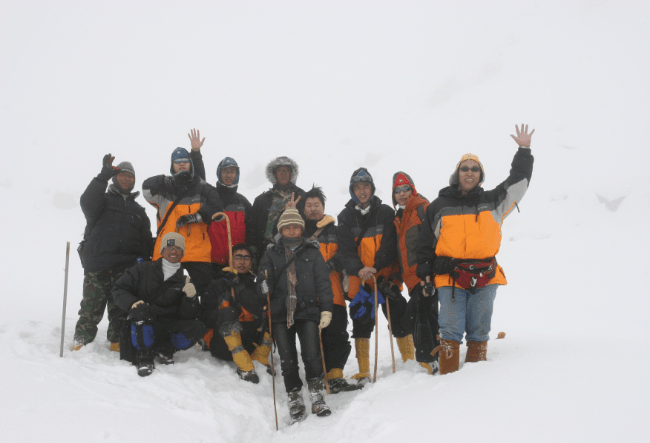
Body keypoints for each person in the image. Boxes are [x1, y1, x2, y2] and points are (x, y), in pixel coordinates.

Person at [416, 124, 535, 375]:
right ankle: (448, 380)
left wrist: (524, 151)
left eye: (474, 169)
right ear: (457, 174)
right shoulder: (438, 206)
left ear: (480, 175)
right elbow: (425, 243)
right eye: (464, 169)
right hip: (450, 276)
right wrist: (425, 273)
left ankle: (475, 385)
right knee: (450, 329)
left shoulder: (494, 201)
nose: (469, 173)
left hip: (486, 275)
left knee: (479, 330)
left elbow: (518, 183)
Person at [257, 208, 333, 424]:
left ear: (301, 228)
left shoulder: (312, 252)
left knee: (312, 354)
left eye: (295, 227)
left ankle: (317, 396)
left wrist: (326, 309)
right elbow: (262, 278)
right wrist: (263, 286)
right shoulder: (271, 253)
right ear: (281, 230)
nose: (291, 231)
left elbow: (323, 283)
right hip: (280, 313)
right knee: (288, 359)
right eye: (287, 227)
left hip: (307, 310)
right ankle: (295, 398)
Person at [72, 154, 152, 352]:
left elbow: (144, 242)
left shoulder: (139, 211)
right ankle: (81, 340)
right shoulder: (102, 201)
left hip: (125, 269)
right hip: (98, 264)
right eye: (123, 175)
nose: (127, 179)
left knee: (121, 309)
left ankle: (117, 341)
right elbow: (86, 202)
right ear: (116, 178)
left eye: (131, 176)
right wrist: (103, 175)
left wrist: (142, 263)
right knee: (91, 307)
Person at [337, 168, 403, 383]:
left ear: (372, 188)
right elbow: (346, 250)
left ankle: (410, 359)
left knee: (399, 316)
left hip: (384, 276)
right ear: (352, 190)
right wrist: (360, 270)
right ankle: (364, 370)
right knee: (361, 322)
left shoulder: (385, 212)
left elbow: (390, 244)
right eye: (357, 187)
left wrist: (375, 266)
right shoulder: (345, 216)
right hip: (360, 279)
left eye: (366, 186)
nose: (362, 191)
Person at [112, 232, 207, 377]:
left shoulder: (185, 279)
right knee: (140, 310)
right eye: (169, 247)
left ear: (183, 253)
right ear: (162, 250)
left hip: (169, 327)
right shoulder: (143, 269)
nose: (173, 251)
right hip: (144, 322)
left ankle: (166, 349)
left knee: (198, 327)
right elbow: (119, 288)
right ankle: (144, 356)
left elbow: (187, 315)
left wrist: (191, 298)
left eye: (178, 248)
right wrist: (131, 302)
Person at [142, 134, 222, 296]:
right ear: (172, 166)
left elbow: (217, 206)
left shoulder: (202, 188)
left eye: (185, 161)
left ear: (191, 164)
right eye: (177, 162)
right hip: (167, 252)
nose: (181, 164)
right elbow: (146, 188)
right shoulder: (164, 191)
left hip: (197, 254)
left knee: (204, 297)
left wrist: (196, 217)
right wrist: (167, 180)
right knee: (164, 298)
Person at [302, 186, 362, 393]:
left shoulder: (335, 231)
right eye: (308, 205)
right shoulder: (297, 232)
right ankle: (318, 376)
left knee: (337, 335)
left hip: (334, 293)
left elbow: (346, 253)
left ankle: (335, 376)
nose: (312, 209)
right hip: (308, 296)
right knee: (313, 340)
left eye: (316, 205)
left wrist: (333, 263)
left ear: (323, 207)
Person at [391, 171, 440, 374]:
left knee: (418, 315)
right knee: (427, 315)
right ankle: (437, 356)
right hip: (411, 279)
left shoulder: (423, 209)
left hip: (425, 275)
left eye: (406, 189)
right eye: (397, 191)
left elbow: (434, 242)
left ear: (413, 190)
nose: (402, 194)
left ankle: (426, 359)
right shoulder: (399, 218)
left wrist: (429, 273)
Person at [201, 244, 269, 383]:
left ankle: (260, 357)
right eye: (238, 257)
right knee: (228, 312)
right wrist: (226, 315)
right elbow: (204, 316)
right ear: (230, 260)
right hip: (222, 344)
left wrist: (238, 285)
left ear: (251, 263)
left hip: (249, 341)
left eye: (246, 258)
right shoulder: (217, 284)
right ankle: (244, 365)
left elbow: (257, 308)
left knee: (272, 309)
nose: (242, 262)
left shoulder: (256, 286)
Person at [250, 156, 306, 266]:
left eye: (286, 170)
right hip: (267, 251)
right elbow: (252, 228)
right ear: (274, 174)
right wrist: (253, 252)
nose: (283, 173)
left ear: (292, 173)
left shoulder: (303, 197)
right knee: (265, 282)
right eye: (279, 170)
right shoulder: (261, 200)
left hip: (295, 250)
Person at [207, 157, 254, 273]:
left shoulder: (243, 202)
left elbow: (252, 232)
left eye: (232, 171)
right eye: (225, 171)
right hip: (212, 263)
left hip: (237, 264)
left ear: (237, 174)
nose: (229, 175)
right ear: (219, 173)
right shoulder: (209, 197)